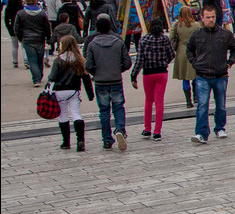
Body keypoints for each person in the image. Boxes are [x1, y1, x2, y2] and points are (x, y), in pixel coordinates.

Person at [187, 5, 235, 144]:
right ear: (202, 19)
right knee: (202, 105)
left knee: (220, 104)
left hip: (220, 74)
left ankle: (220, 127)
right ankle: (201, 133)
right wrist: (195, 63)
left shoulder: (224, 34)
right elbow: (189, 50)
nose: (211, 20)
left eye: (213, 17)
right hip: (202, 74)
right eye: (208, 17)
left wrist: (229, 63)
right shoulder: (197, 35)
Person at [85, 14, 132, 151]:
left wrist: (96, 72)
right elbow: (127, 62)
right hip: (115, 78)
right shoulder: (118, 42)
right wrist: (118, 69)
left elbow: (88, 65)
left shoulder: (92, 44)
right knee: (118, 107)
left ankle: (106, 139)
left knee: (104, 111)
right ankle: (120, 129)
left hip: (101, 81)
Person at [47, 35, 94, 152]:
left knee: (63, 115)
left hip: (60, 91)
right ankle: (80, 140)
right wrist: (90, 94)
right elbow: (86, 78)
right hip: (74, 91)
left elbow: (52, 77)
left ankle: (66, 142)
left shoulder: (58, 60)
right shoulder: (79, 59)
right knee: (76, 114)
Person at [130, 16, 174, 141]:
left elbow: (139, 60)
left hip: (148, 73)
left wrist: (134, 75)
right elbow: (172, 55)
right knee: (159, 102)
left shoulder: (143, 40)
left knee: (149, 101)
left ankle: (147, 128)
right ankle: (157, 131)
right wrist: (164, 61)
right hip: (161, 72)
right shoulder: (165, 39)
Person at [14, 0, 52, 85]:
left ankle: (36, 78)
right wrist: (48, 37)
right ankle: (39, 75)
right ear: (35, 1)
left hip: (27, 39)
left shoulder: (21, 13)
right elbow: (47, 27)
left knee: (32, 60)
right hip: (39, 39)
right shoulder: (42, 13)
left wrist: (20, 37)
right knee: (40, 58)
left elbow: (17, 28)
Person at [170, 6, 201, 107]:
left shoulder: (176, 25)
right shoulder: (196, 25)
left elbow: (171, 38)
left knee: (184, 77)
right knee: (195, 76)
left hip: (181, 52)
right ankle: (196, 96)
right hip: (194, 52)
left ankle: (188, 101)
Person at [5, 0, 24, 69]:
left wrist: (9, 27)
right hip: (21, 28)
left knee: (14, 46)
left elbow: (6, 20)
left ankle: (15, 61)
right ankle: (26, 59)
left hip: (12, 27)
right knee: (23, 45)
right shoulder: (21, 8)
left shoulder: (8, 8)